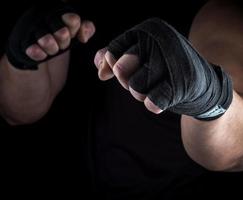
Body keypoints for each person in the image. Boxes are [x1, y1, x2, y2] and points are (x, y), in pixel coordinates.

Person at [0, 0, 242, 199]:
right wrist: (22, 59)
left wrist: (209, 94)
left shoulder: (223, 19)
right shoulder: (67, 13)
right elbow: (17, 113)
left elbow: (231, 149)